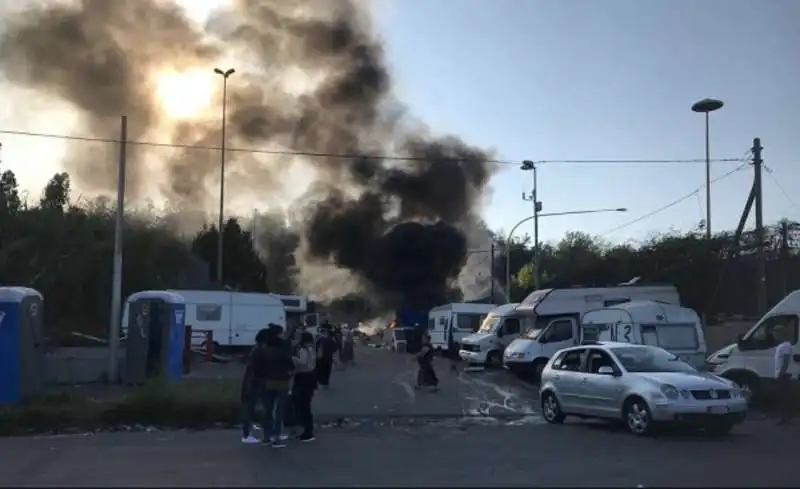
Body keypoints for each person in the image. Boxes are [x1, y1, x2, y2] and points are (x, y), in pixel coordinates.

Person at [260, 328, 295, 447]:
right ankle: (277, 438)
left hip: (268, 381)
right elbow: (290, 364)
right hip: (282, 382)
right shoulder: (283, 350)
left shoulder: (266, 351)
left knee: (268, 410)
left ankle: (266, 436)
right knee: (279, 410)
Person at [240, 328, 272, 444]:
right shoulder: (259, 351)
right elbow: (253, 369)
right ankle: (246, 434)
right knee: (252, 407)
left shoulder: (257, 349)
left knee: (253, 407)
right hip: (256, 383)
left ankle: (249, 432)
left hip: (255, 382)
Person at [291, 331, 318, 441]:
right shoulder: (311, 348)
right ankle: (306, 428)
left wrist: (292, 358)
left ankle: (307, 431)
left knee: (302, 404)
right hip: (310, 377)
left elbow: (302, 362)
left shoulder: (303, 349)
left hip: (303, 377)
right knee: (304, 403)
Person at [773, 324, 794, 425]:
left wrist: (780, 374)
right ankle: (784, 418)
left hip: (783, 375)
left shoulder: (786, 345)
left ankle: (784, 418)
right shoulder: (781, 345)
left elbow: (785, 362)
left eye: (776, 333)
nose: (775, 335)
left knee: (783, 398)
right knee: (782, 397)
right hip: (781, 374)